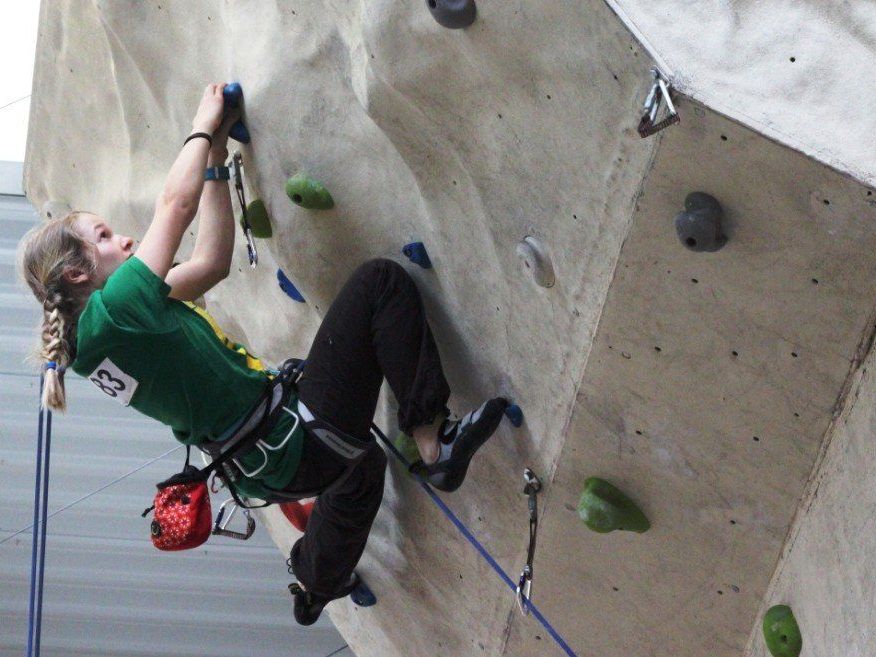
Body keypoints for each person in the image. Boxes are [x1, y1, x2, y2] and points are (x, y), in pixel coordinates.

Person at [17, 83, 509, 625]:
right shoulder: (117, 311)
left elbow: (210, 265)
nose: (127, 241)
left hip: (271, 469)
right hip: (291, 434)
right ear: (77, 274)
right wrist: (202, 126)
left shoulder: (105, 339)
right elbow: (173, 207)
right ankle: (433, 443)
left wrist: (216, 170)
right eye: (105, 236)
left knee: (360, 466)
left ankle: (317, 581)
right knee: (380, 284)